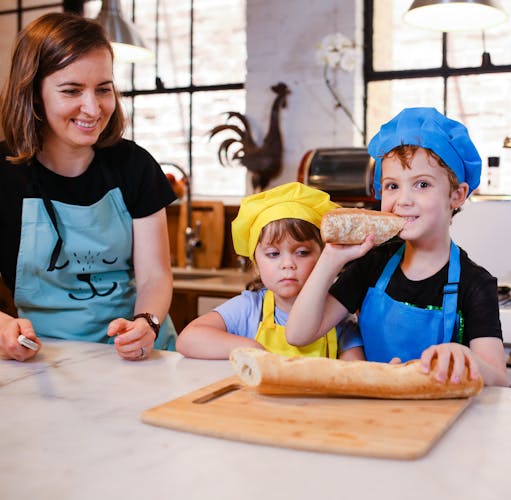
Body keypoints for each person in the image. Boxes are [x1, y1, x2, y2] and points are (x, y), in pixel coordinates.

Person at [0, 13, 177, 362]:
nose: (93, 108)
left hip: (141, 355)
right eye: (71, 90)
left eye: (103, 89)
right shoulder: (4, 174)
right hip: (45, 359)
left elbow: (155, 276)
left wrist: (147, 322)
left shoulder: (134, 165)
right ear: (34, 94)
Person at [286, 107, 508, 386]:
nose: (403, 200)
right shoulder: (372, 264)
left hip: (445, 419)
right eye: (392, 186)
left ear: (457, 195)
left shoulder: (475, 283)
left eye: (422, 184)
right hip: (375, 414)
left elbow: (499, 381)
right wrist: (331, 259)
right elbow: (298, 334)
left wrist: (466, 358)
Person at [176, 182, 364, 360]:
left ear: (324, 257)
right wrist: (254, 349)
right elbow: (187, 339)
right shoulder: (249, 309)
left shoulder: (335, 316)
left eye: (302, 252)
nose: (288, 264)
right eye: (273, 254)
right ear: (256, 264)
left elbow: (355, 374)